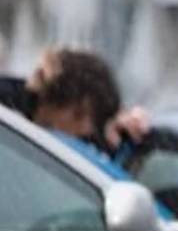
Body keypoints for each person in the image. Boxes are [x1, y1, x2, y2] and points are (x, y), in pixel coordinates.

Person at [0, 45, 150, 155]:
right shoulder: (7, 106)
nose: (85, 128)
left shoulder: (85, 140)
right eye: (79, 115)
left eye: (94, 121)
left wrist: (122, 127)